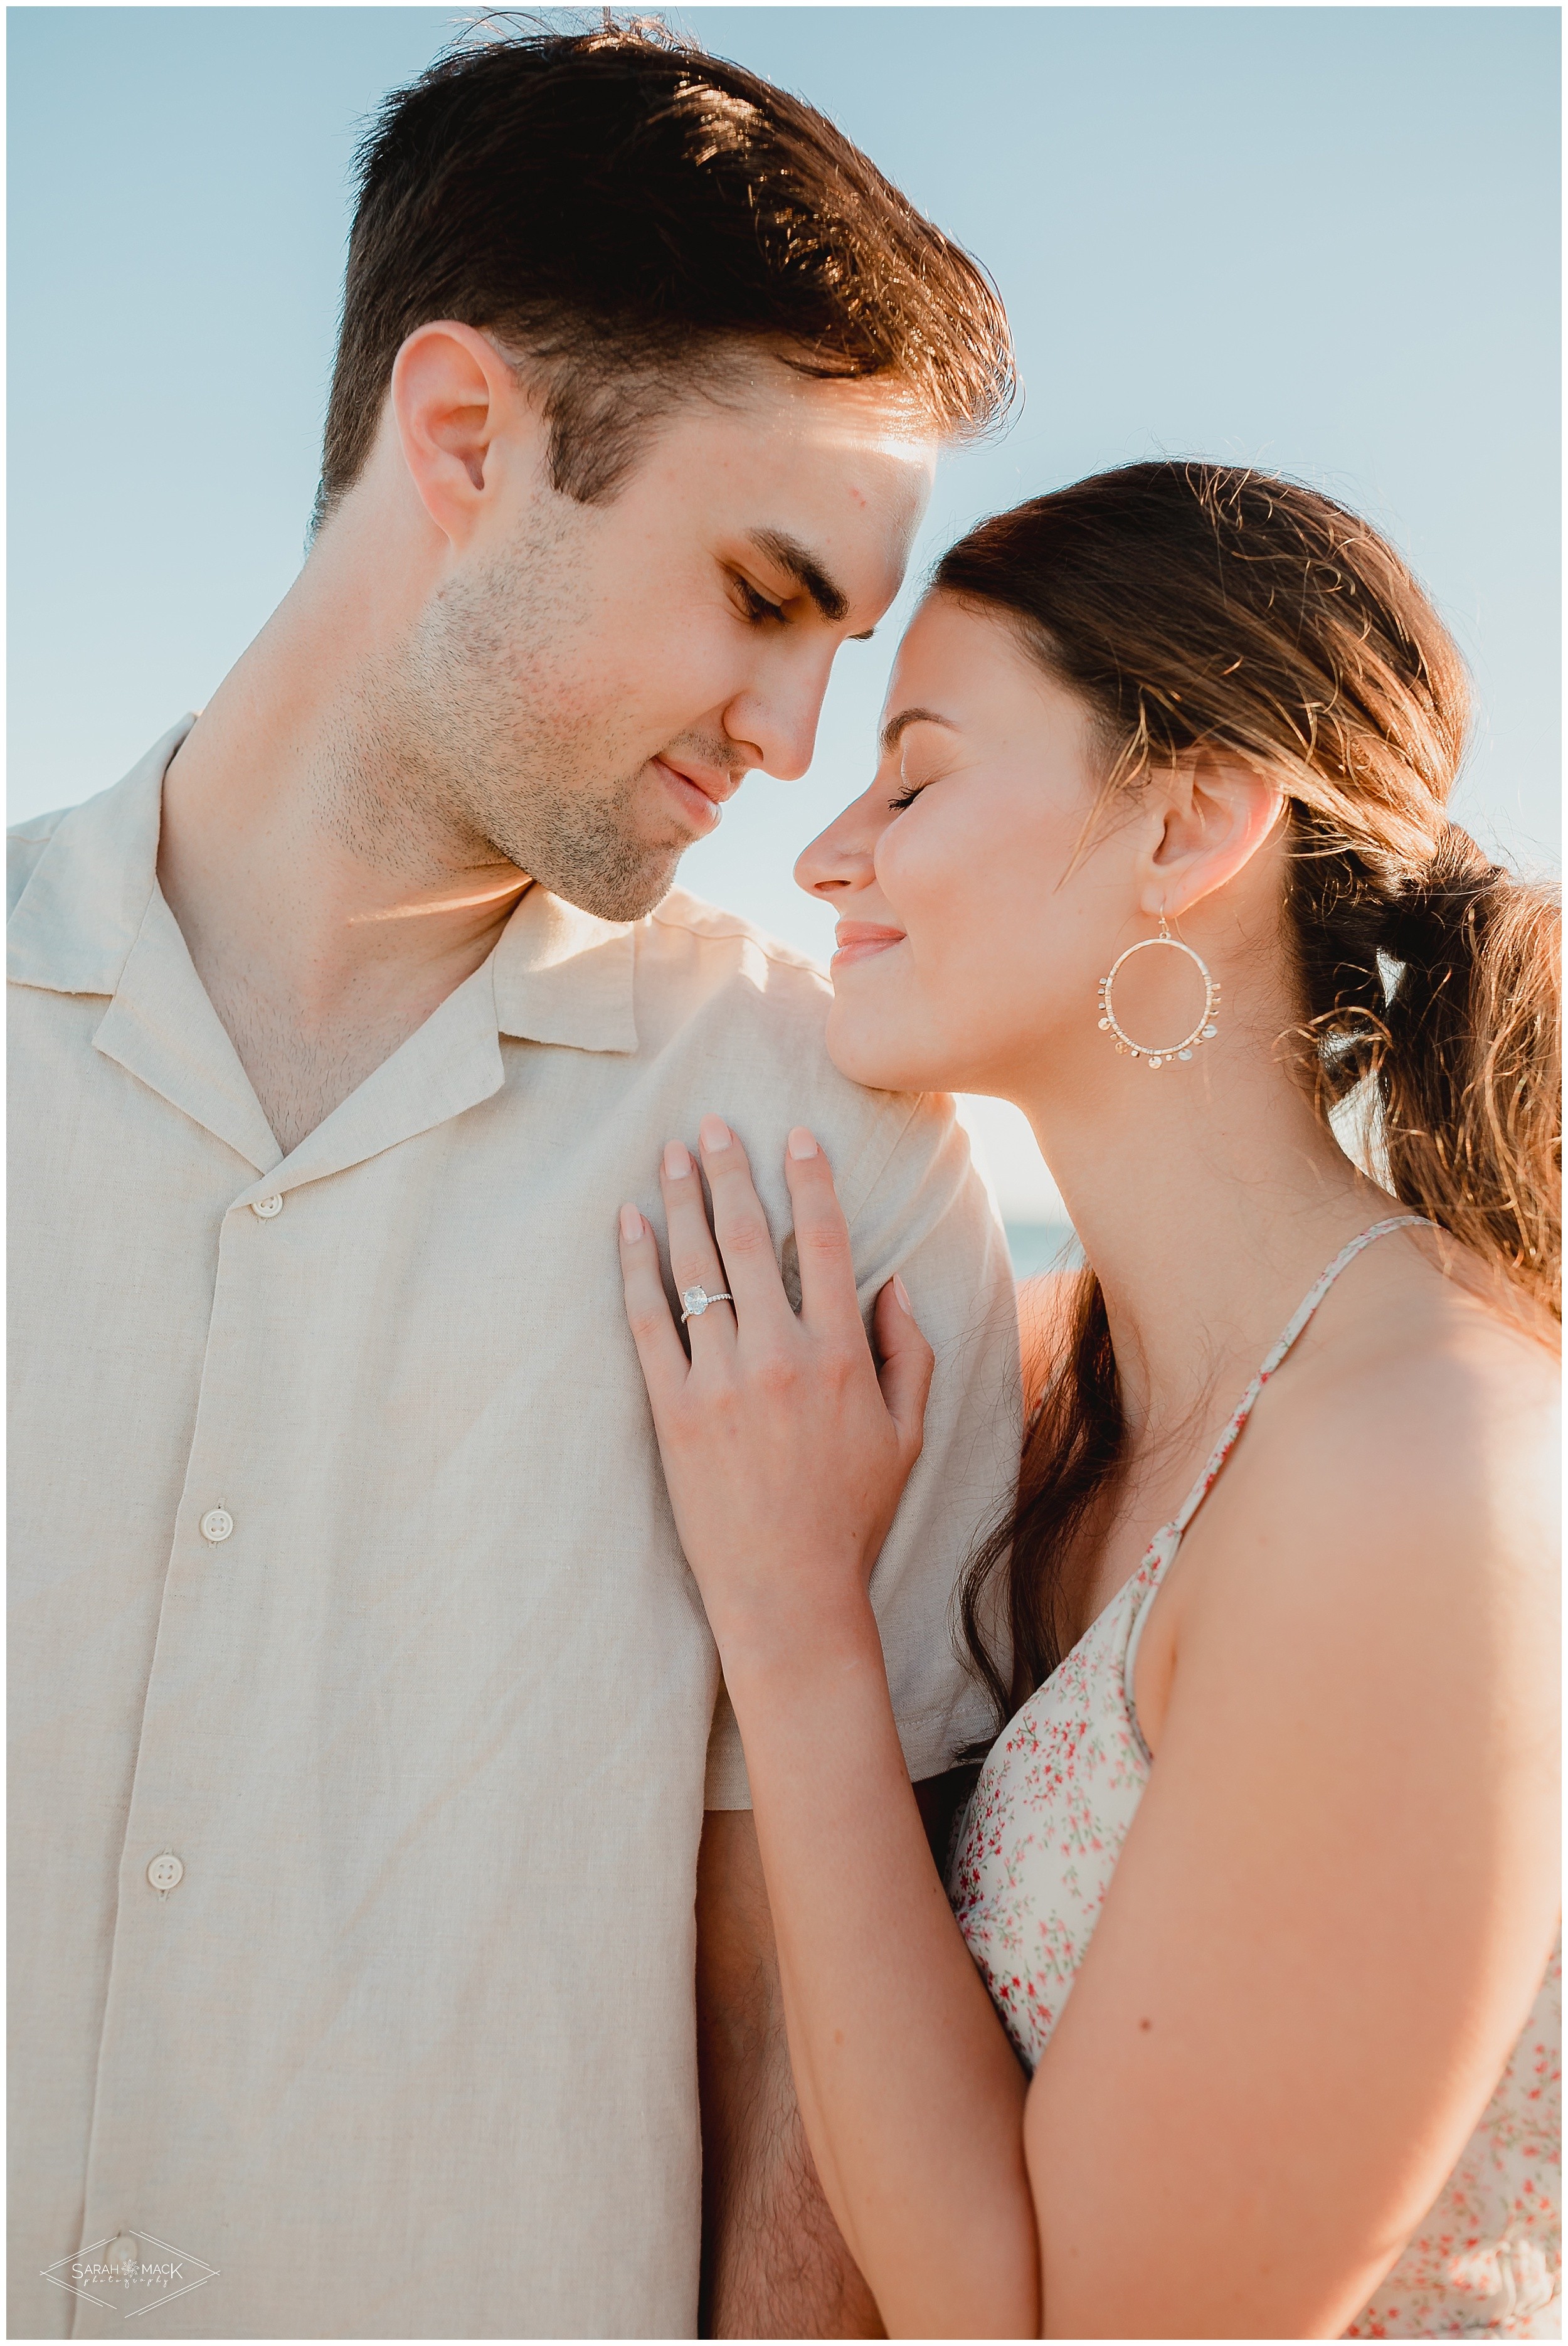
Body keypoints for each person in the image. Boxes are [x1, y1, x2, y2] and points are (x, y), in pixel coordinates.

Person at [8, 23, 1023, 2338]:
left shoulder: (830, 1138)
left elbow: (818, 2017)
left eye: (842, 654)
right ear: (464, 433)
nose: (794, 745)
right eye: (764, 594)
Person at [618, 461, 1562, 2338]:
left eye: (914, 773)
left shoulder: (1416, 1470)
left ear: (1190, 821)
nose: (823, 853)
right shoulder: (1074, 1395)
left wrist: (798, 1627)